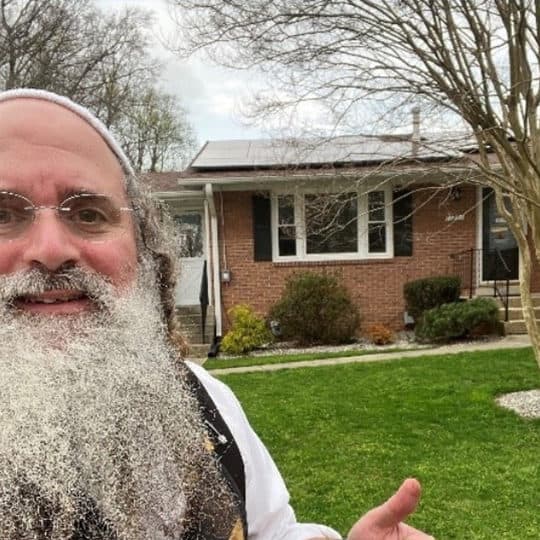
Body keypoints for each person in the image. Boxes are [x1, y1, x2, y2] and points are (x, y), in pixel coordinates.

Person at [0, 88, 434, 540]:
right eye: (3, 213)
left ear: (143, 249)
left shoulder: (202, 398)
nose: (51, 250)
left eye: (88, 213)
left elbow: (270, 530)